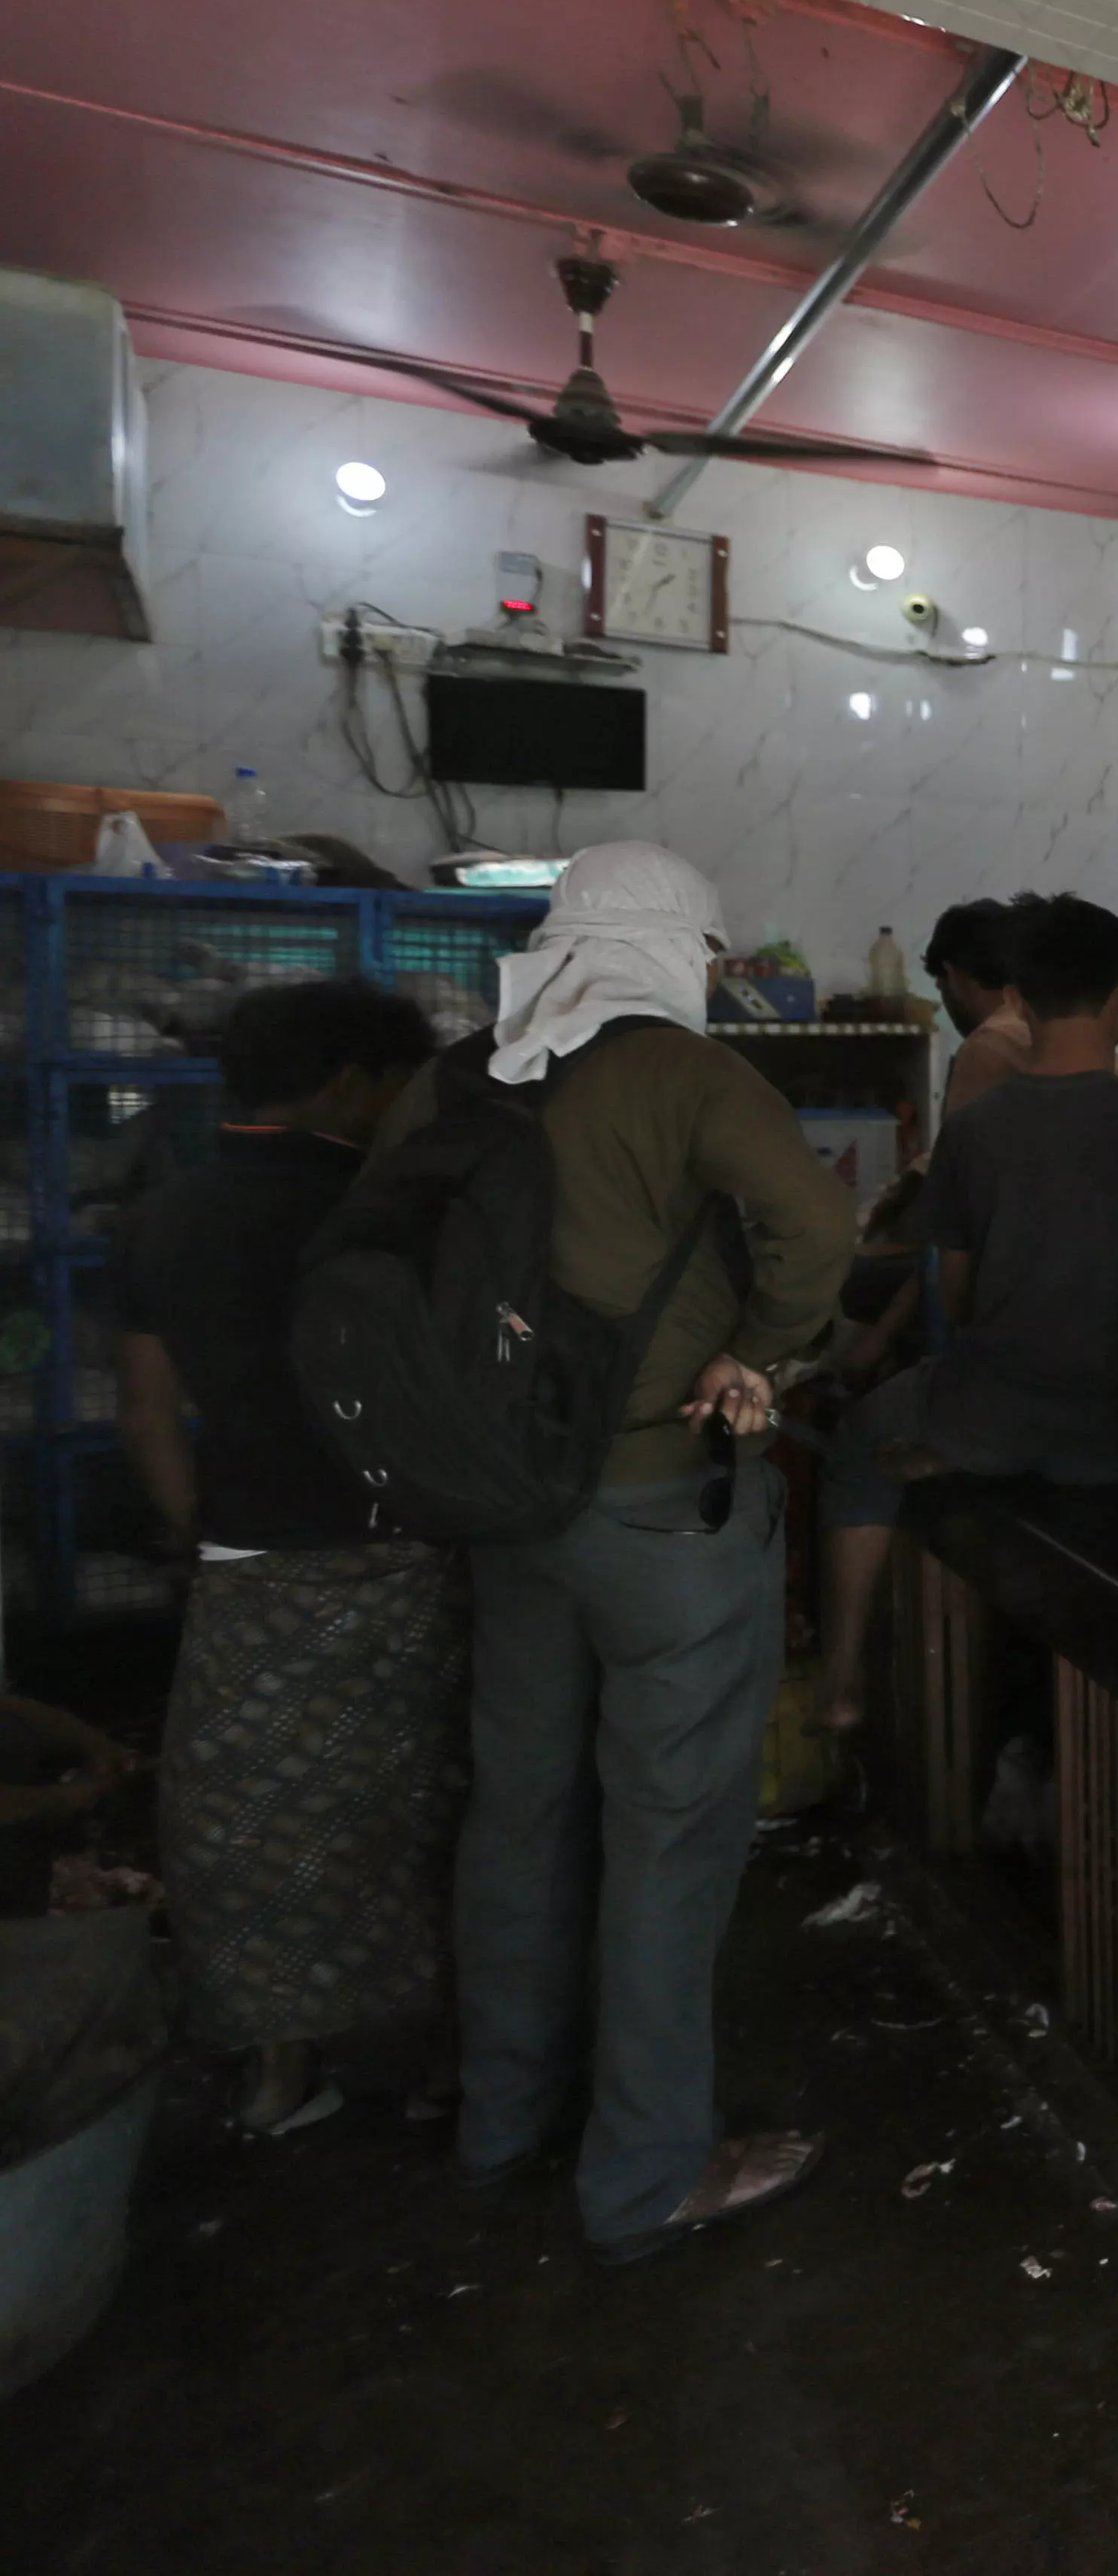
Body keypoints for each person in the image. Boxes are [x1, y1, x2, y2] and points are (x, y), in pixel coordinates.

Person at [373, 842, 858, 2263]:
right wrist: (758, 1350)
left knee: (517, 1808)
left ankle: (502, 2123)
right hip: (660, 1509)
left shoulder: (460, 1076)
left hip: (509, 1506)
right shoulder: (681, 1074)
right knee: (668, 1836)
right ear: (674, 951)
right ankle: (645, 2171)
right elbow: (818, 1217)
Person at [114, 979, 455, 2136]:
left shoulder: (166, 1214)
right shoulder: (388, 1211)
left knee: (251, 1827)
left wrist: (198, 1530)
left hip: (247, 1564)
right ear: (352, 1083)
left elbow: (149, 1410)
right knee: (415, 1815)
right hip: (401, 1555)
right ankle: (430, 2062)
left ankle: (280, 2069)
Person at [812, 896, 1118, 1731]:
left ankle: (838, 1676)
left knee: (854, 1445)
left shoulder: (977, 1131)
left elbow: (954, 1295)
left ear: (1015, 996)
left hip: (994, 1418)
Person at [923, 896, 1033, 1125]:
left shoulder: (987, 1046)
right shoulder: (1053, 1025)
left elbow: (959, 1156)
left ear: (951, 976)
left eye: (941, 989)